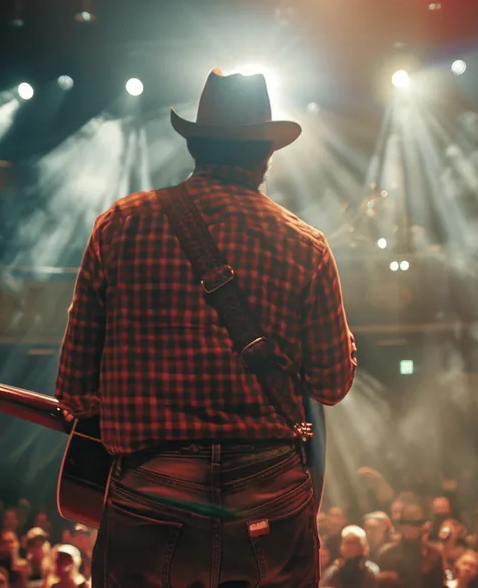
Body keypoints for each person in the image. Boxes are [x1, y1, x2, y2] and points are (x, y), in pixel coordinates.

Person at [55, 68, 357, 587]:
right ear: (266, 154)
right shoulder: (306, 245)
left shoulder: (121, 224)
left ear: (194, 146)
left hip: (150, 489)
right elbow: (331, 385)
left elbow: (74, 392)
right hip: (270, 493)